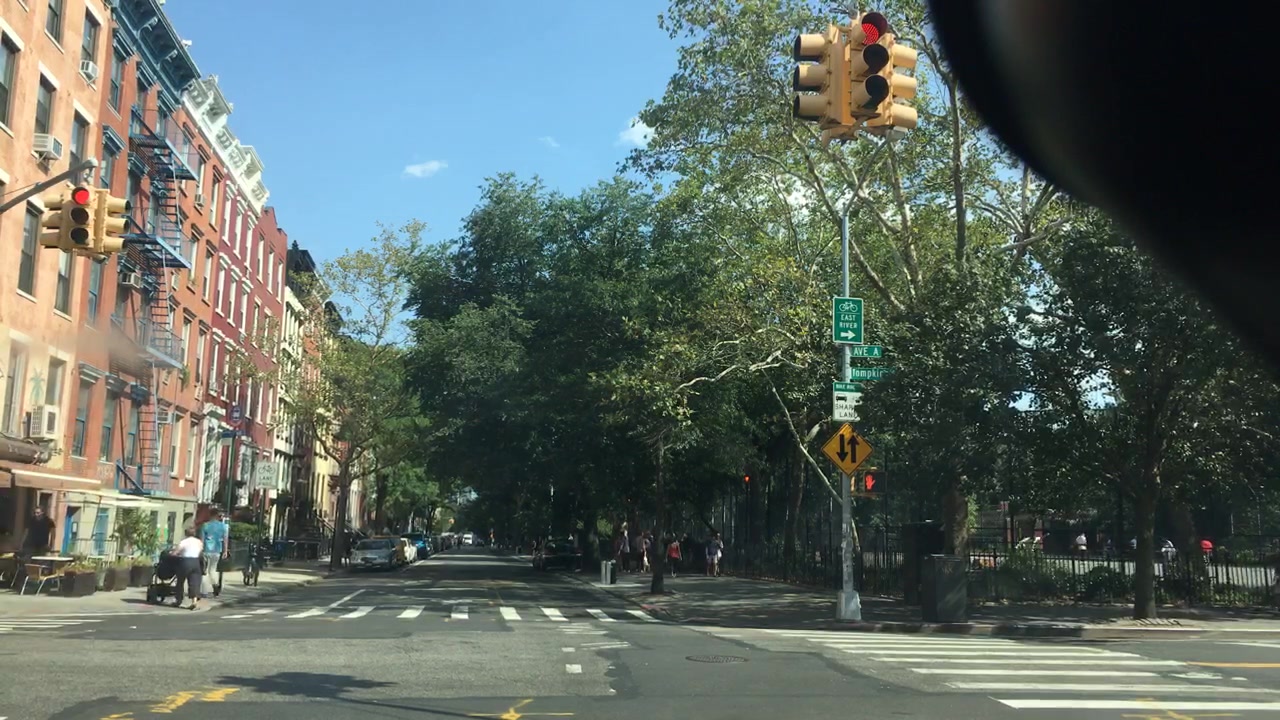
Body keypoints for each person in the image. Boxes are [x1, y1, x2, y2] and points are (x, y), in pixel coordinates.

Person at [170, 527, 204, 610]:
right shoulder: (199, 542)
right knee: (194, 582)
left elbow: (176, 552)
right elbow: (200, 551)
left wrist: (172, 554)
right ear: (194, 534)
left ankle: (178, 600)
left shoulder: (184, 542)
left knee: (180, 581)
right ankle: (194, 602)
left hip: (185, 562)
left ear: (185, 534)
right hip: (196, 562)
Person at [198, 510, 229, 597]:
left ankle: (204, 591)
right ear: (217, 516)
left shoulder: (205, 525)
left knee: (205, 571)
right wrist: (225, 551)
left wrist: (200, 550)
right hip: (217, 550)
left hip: (206, 550)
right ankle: (215, 584)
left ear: (210, 515)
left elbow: (202, 540)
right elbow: (225, 539)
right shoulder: (223, 526)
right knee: (213, 569)